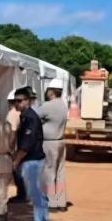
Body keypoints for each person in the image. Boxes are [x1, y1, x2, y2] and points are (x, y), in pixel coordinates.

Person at [12, 87, 50, 221]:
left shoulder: (31, 118)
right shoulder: (24, 117)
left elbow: (26, 145)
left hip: (33, 160)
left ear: (27, 101)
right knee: (38, 194)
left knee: (36, 195)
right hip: (32, 160)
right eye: (15, 101)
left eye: (19, 101)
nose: (17, 104)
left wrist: (16, 161)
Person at [36, 79, 69, 212]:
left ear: (51, 92)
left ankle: (52, 202)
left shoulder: (48, 106)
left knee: (49, 172)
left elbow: (34, 116)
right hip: (60, 141)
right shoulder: (63, 105)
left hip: (49, 142)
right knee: (60, 173)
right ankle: (61, 202)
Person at [6, 89, 27, 203]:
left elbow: (13, 132)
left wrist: (10, 148)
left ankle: (21, 194)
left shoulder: (12, 114)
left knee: (16, 170)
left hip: (14, 146)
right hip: (21, 144)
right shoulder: (20, 113)